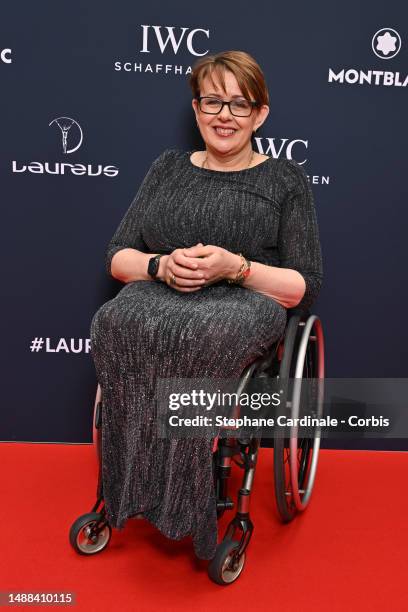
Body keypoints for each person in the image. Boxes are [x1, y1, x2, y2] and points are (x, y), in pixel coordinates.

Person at [90, 50, 323, 561]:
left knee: (202, 336)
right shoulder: (168, 167)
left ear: (260, 114)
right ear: (196, 109)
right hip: (162, 291)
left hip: (243, 301)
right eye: (213, 101)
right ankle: (127, 491)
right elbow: (117, 256)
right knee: (113, 319)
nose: (225, 115)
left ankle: (187, 499)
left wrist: (235, 268)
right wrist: (160, 267)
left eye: (239, 104)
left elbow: (304, 285)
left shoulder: (285, 179)